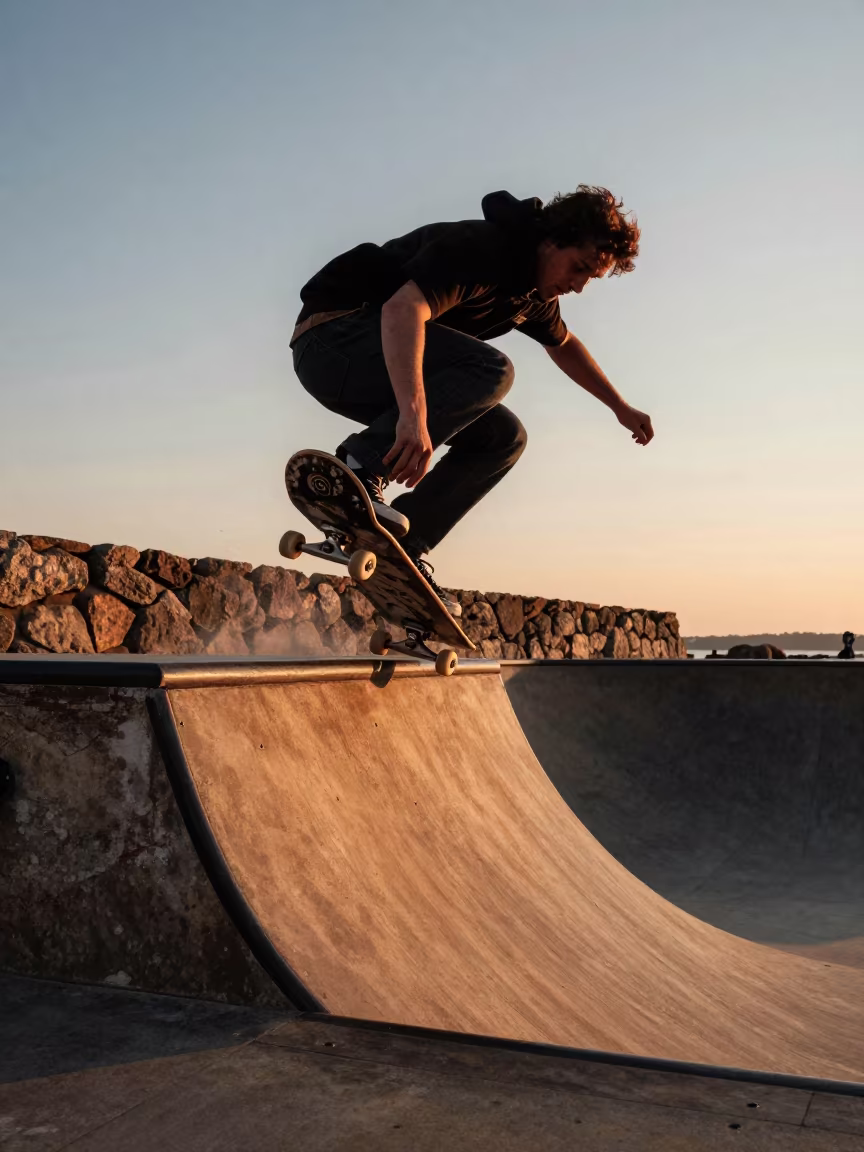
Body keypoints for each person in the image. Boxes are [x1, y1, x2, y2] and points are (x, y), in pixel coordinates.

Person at [291, 186, 653, 615]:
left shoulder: (532, 295)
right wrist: (413, 413)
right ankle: (357, 467)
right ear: (553, 239)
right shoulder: (484, 250)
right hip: (332, 340)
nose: (576, 287)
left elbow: (564, 344)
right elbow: (402, 310)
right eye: (578, 268)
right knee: (493, 370)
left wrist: (620, 407)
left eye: (588, 279)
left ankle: (406, 546)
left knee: (505, 436)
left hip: (365, 365)